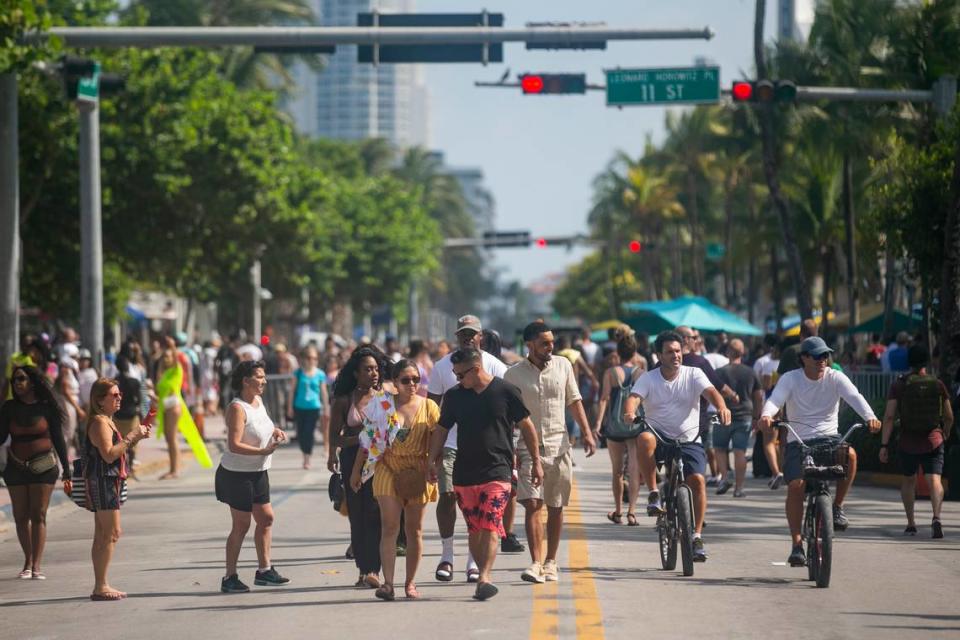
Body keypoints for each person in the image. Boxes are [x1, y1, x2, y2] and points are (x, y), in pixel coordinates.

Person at [427, 348, 543, 600]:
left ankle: (484, 577)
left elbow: (527, 425)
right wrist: (431, 460)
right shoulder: (455, 396)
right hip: (465, 471)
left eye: (461, 375)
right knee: (475, 529)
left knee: (491, 522)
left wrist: (535, 461)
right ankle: (481, 572)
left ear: (476, 369)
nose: (458, 380)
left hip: (498, 470)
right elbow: (441, 429)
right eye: (455, 375)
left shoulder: (505, 391)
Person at [759, 337, 882, 566]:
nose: (822, 360)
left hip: (830, 439)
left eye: (825, 355)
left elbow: (855, 397)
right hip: (799, 441)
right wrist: (766, 415)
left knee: (851, 455)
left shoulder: (835, 377)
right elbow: (775, 400)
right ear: (804, 358)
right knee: (796, 486)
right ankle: (796, 544)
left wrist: (871, 417)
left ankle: (837, 507)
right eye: (817, 356)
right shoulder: (790, 378)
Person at [622, 330, 732, 563]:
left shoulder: (694, 374)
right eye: (670, 352)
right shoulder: (649, 378)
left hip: (689, 438)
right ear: (659, 356)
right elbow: (634, 397)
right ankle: (653, 493)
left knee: (698, 481)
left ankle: (697, 536)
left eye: (678, 351)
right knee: (643, 438)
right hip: (659, 436)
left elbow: (712, 392)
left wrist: (722, 407)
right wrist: (630, 411)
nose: (676, 356)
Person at [505, 322, 596, 584]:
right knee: (533, 504)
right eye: (544, 343)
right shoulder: (513, 375)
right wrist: (508, 448)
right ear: (530, 345)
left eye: (552, 342)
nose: (550, 347)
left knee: (555, 506)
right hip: (526, 448)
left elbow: (574, 401)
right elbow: (507, 416)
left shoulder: (563, 366)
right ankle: (535, 562)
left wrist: (587, 433)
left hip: (559, 446)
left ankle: (551, 561)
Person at [349, 359, 440, 600]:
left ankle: (410, 583)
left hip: (417, 468)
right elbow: (367, 440)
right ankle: (388, 584)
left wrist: (435, 466)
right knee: (389, 526)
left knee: (414, 529)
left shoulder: (429, 406)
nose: (412, 384)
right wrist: (356, 471)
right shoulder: (382, 405)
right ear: (395, 382)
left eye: (416, 380)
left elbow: (437, 442)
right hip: (388, 466)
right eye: (406, 380)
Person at [426, 315, 508, 583]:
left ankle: (474, 562)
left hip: (485, 449)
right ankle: (447, 555)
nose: (467, 338)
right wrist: (430, 452)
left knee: (479, 508)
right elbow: (432, 409)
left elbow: (505, 410)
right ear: (456, 337)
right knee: (448, 497)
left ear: (480, 337)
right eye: (463, 334)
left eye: (472, 334)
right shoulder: (441, 367)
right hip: (451, 445)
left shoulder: (495, 366)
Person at [216, 360, 290, 593]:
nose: (264, 381)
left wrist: (275, 431)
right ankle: (229, 577)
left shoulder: (257, 402)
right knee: (241, 524)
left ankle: (264, 570)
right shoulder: (237, 408)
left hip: (258, 472)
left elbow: (263, 426)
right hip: (237, 475)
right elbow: (234, 444)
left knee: (266, 518)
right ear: (245, 381)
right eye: (259, 377)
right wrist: (263, 451)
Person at [83, 377, 152, 600]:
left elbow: (116, 450)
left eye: (119, 394)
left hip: (109, 480)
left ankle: (100, 584)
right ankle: (100, 585)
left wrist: (135, 438)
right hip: (103, 480)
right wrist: (132, 436)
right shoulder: (100, 423)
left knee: (104, 533)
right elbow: (109, 453)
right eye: (114, 395)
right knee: (111, 533)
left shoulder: (106, 420)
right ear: (99, 400)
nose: (119, 397)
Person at [0, 365, 70, 579]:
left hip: (44, 467)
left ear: (32, 381)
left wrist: (67, 470)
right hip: (16, 467)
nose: (17, 384)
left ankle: (37, 565)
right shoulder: (9, 408)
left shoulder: (47, 407)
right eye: (14, 381)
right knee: (20, 517)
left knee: (38, 514)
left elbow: (58, 439)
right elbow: (2, 438)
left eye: (21, 379)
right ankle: (27, 561)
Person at [328, 346, 388, 589]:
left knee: (377, 514)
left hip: (380, 461)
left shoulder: (385, 398)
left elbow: (391, 429)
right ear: (356, 373)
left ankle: (374, 569)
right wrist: (359, 440)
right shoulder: (344, 401)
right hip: (352, 459)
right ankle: (364, 570)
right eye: (367, 370)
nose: (373, 374)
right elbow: (335, 437)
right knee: (358, 515)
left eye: (375, 369)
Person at [879, 345, 954, 537]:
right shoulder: (937, 384)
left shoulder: (899, 384)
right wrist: (945, 433)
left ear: (908, 362)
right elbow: (949, 416)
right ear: (926, 362)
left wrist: (884, 444)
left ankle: (911, 523)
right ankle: (936, 517)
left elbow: (888, 416)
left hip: (907, 441)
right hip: (933, 439)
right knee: (934, 480)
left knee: (908, 481)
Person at [673, 326, 738, 487]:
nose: (698, 341)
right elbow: (719, 386)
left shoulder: (666, 361)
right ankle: (713, 475)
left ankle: (667, 487)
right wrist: (734, 396)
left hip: (670, 422)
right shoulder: (699, 362)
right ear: (686, 340)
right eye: (694, 338)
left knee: (671, 463)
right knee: (701, 454)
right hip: (696, 421)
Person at [593, 335, 645, 526]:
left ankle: (618, 511)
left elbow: (604, 398)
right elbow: (646, 400)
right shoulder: (641, 373)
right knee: (634, 468)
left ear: (618, 352)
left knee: (617, 471)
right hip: (635, 425)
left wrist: (598, 424)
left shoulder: (611, 373)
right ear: (634, 351)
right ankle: (632, 512)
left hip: (615, 426)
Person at [714, 339, 764, 497]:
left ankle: (725, 476)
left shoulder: (720, 372)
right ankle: (739, 488)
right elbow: (758, 397)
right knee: (740, 451)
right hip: (745, 416)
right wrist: (757, 417)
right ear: (743, 352)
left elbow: (713, 393)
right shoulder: (750, 372)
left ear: (728, 352)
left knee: (720, 448)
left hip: (724, 415)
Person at [287, 345, 328, 470]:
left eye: (315, 358)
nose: (312, 360)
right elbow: (292, 391)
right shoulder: (298, 373)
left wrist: (326, 407)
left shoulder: (320, 374)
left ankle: (307, 458)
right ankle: (304, 452)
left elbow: (323, 392)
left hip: (314, 407)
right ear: (304, 358)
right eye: (310, 357)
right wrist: (289, 407)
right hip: (299, 406)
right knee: (300, 433)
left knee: (309, 432)